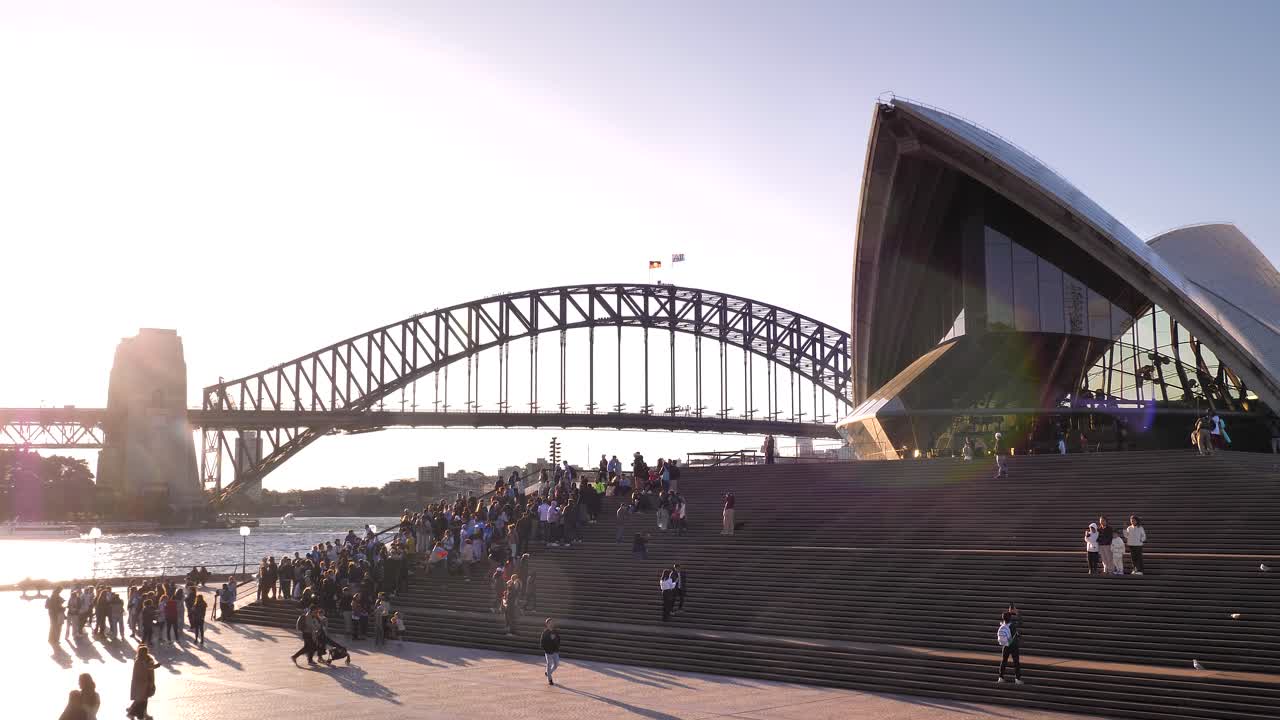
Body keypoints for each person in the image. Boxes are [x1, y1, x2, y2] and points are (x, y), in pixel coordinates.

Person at [126, 645, 159, 720]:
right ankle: (133, 713)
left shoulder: (144, 659)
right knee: (141, 700)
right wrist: (155, 666)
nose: (147, 653)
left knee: (143, 700)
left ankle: (137, 713)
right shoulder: (140, 661)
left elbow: (148, 668)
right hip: (142, 684)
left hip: (144, 683)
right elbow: (147, 668)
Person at [996, 609, 1023, 684]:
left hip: (1006, 645)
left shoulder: (1002, 624)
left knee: (1004, 661)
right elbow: (1021, 622)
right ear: (1010, 618)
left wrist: (1009, 613)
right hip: (1013, 645)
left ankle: (1000, 677)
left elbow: (1006, 618)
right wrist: (1017, 613)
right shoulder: (1012, 625)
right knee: (1016, 662)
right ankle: (1017, 679)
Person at [540, 618, 561, 686]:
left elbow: (558, 639)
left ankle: (548, 673)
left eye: (552, 622)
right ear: (547, 624)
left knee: (556, 664)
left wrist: (556, 642)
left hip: (555, 651)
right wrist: (546, 649)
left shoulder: (555, 631)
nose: (551, 624)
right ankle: (550, 679)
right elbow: (542, 642)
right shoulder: (545, 633)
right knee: (549, 664)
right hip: (548, 651)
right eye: (549, 623)